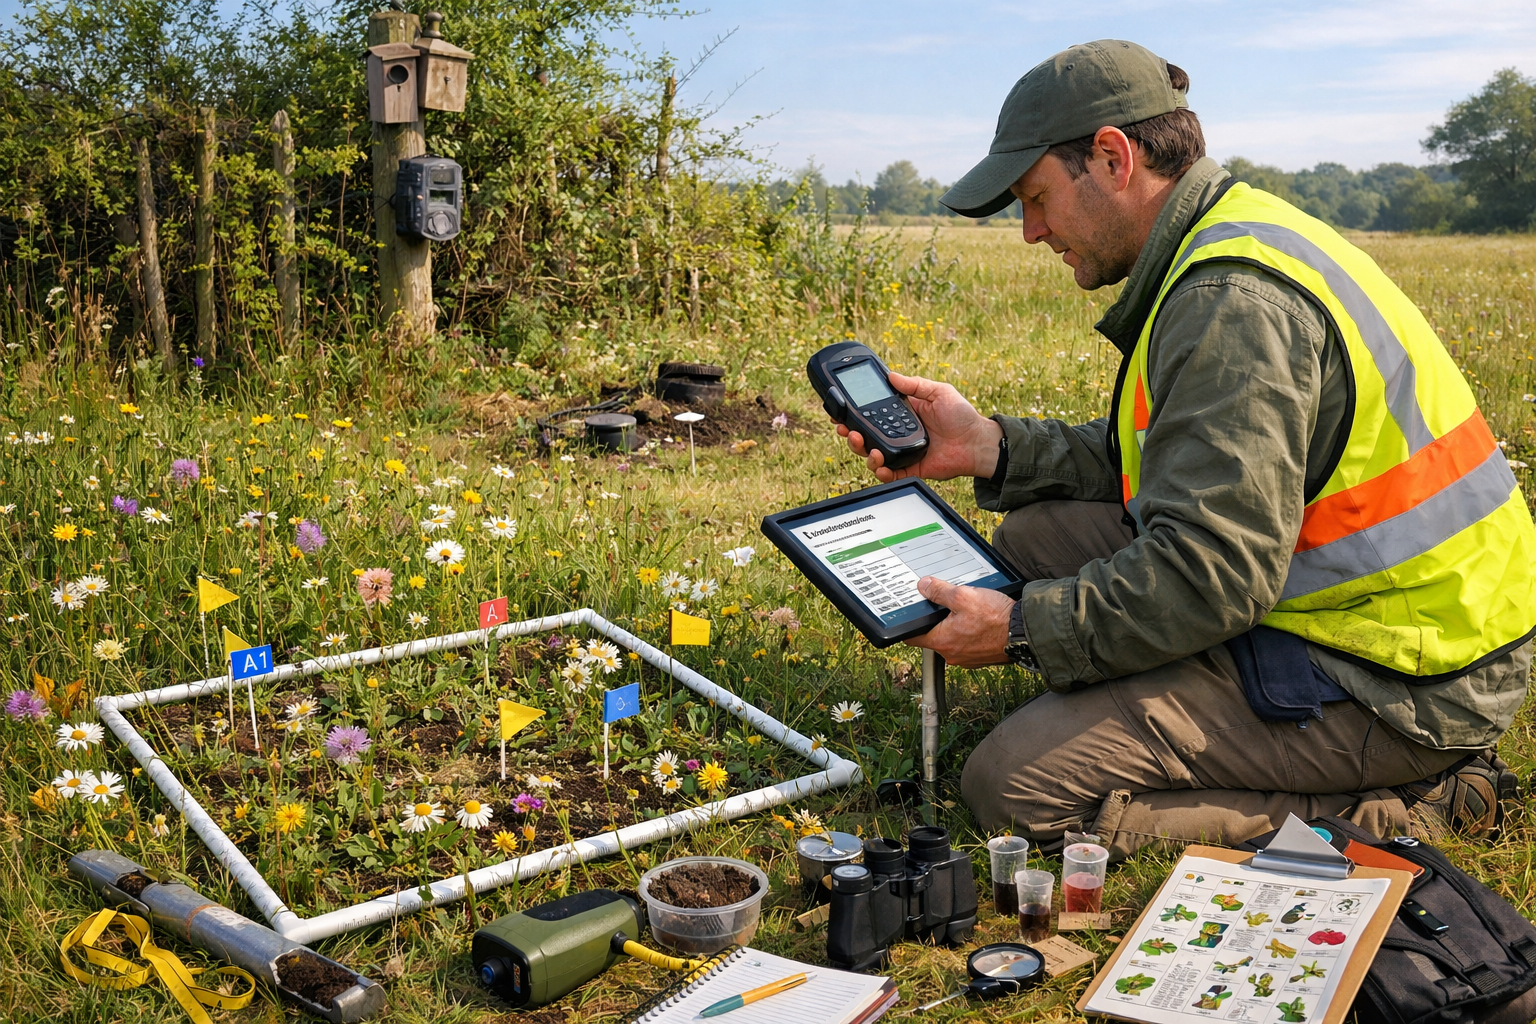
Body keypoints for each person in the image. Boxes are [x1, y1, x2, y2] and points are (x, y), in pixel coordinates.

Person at [837, 40, 1534, 860]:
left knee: (1012, 786)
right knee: (1033, 537)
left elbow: (1214, 574)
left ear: (1111, 157)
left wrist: (1024, 630)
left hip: (1400, 678)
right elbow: (1176, 459)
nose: (1029, 232)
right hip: (1348, 599)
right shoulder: (1232, 233)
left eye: (1035, 198)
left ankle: (1423, 805)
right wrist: (988, 447)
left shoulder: (1228, 299)